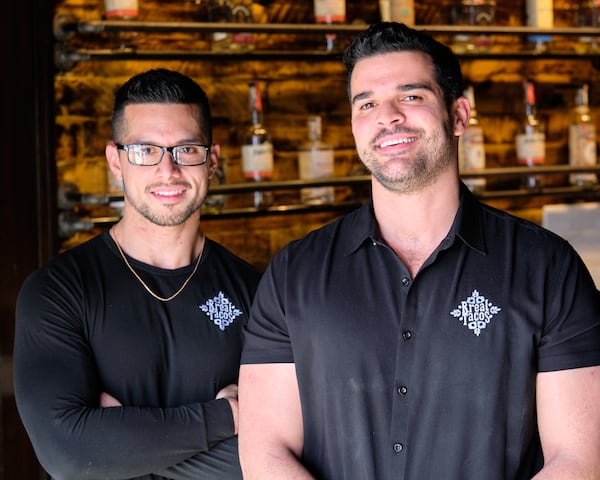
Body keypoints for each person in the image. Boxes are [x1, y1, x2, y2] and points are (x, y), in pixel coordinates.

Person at [238, 22, 600, 480]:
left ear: (460, 115)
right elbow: (266, 451)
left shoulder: (549, 268)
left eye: (411, 96)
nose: (387, 116)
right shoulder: (294, 274)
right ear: (353, 125)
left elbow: (576, 460)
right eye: (366, 103)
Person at [14, 68, 261, 480]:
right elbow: (69, 453)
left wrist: (120, 449)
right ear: (116, 160)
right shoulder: (58, 291)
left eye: (186, 150)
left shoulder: (254, 293)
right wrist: (227, 418)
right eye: (145, 150)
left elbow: (281, 448)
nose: (168, 171)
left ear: (212, 160)